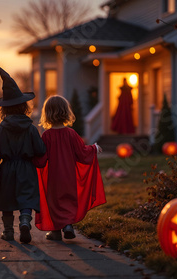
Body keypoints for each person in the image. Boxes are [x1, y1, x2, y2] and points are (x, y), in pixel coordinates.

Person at [33, 95, 106, 240]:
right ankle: (68, 226)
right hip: (69, 177)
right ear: (66, 112)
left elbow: (41, 159)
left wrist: (30, 155)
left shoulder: (46, 136)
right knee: (69, 200)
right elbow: (82, 153)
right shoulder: (71, 134)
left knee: (54, 202)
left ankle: (56, 231)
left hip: (54, 179)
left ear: (47, 114)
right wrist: (94, 148)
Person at [0, 64, 46, 244]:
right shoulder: (30, 128)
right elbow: (40, 150)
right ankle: (24, 221)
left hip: (7, 168)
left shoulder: (0, 129)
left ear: (4, 109)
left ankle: (8, 232)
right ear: (24, 106)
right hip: (26, 167)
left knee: (7, 200)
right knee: (27, 198)